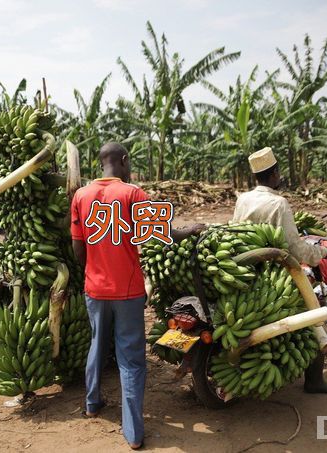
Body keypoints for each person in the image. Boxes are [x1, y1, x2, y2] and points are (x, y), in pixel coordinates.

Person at [71, 142, 204, 449]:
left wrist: (95, 267)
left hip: (95, 289)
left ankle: (92, 404)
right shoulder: (132, 193)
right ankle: (133, 432)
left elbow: (78, 249)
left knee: (96, 344)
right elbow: (163, 233)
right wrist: (190, 230)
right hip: (128, 291)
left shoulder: (80, 196)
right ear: (125, 161)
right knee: (130, 359)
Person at [232, 146, 327, 394]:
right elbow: (295, 248)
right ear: (273, 174)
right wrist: (322, 253)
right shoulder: (278, 203)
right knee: (312, 314)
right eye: (278, 173)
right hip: (274, 274)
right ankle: (314, 380)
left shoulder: (243, 199)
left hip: (244, 270)